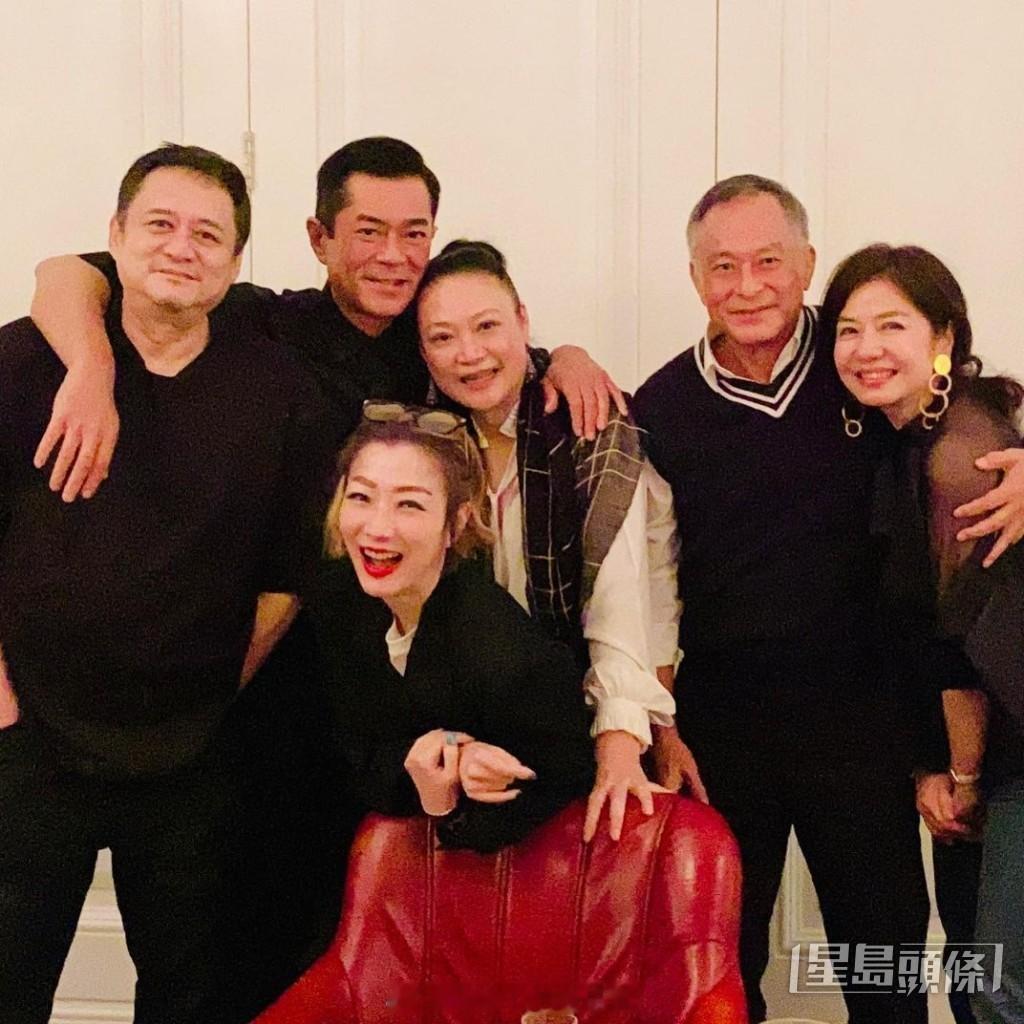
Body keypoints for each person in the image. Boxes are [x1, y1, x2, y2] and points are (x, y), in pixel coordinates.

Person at [21, 137, 623, 1014]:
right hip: (259, 700)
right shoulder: (259, 320)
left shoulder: (433, 338)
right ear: (318, 238)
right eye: (367, 231)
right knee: (246, 948)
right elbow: (67, 275)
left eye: (413, 234)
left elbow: (495, 354)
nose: (393, 256)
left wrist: (562, 356)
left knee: (391, 944)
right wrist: (91, 364)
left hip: (391, 682)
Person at [631, 174, 1024, 1023]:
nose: (747, 286)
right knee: (718, 950)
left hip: (864, 712)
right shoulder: (661, 406)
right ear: (694, 277)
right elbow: (650, 578)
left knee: (885, 952)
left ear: (807, 264)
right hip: (722, 720)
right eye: (722, 266)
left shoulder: (861, 364)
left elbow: (970, 413)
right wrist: (660, 723)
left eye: (769, 261)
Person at [0, 144, 333, 1024]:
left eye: (208, 235)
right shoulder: (23, 363)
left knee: (188, 998)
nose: (182, 247)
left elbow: (290, 573)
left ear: (235, 260)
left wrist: (218, 689)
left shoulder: (279, 392)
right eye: (160, 224)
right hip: (28, 743)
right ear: (114, 235)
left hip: (191, 757)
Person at [414, 240, 695, 843]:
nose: (469, 354)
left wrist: (621, 742)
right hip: (457, 740)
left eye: (487, 326)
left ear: (522, 321)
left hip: (577, 720)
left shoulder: (588, 426)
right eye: (442, 337)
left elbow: (626, 591)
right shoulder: (418, 445)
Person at [821, 242, 1024, 1024]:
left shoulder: (959, 453)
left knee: (999, 989)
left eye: (891, 325)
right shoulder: (906, 438)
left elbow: (963, 642)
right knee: (977, 978)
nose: (866, 348)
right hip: (977, 750)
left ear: (943, 336)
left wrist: (960, 776)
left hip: (1008, 753)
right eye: (848, 329)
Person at [313, 404, 595, 851]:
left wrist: (450, 798)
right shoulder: (339, 601)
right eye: (362, 497)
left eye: (409, 504)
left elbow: (558, 789)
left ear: (456, 524)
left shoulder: (508, 660)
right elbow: (347, 755)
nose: (377, 528)